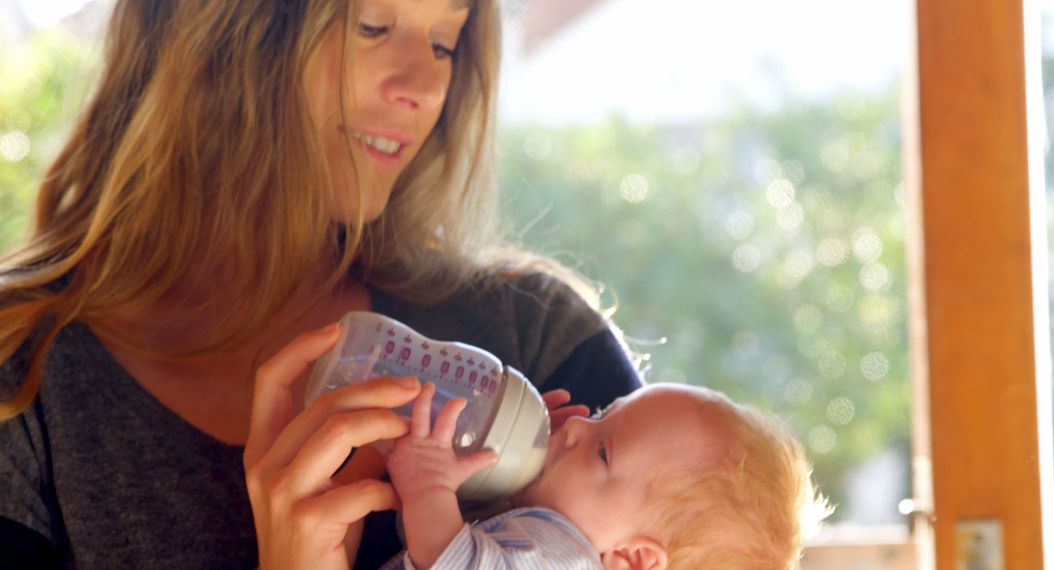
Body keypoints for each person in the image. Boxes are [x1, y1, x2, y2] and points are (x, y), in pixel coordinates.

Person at [0, 0, 642, 568]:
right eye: (371, 25)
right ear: (218, 27)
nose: (423, 87)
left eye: (444, 42)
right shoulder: (23, 388)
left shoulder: (539, 338)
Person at [382, 382, 833, 570]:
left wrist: (429, 486)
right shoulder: (557, 546)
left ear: (633, 559)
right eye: (601, 414)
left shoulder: (567, 559)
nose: (577, 425)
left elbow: (453, 561)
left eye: (602, 451)